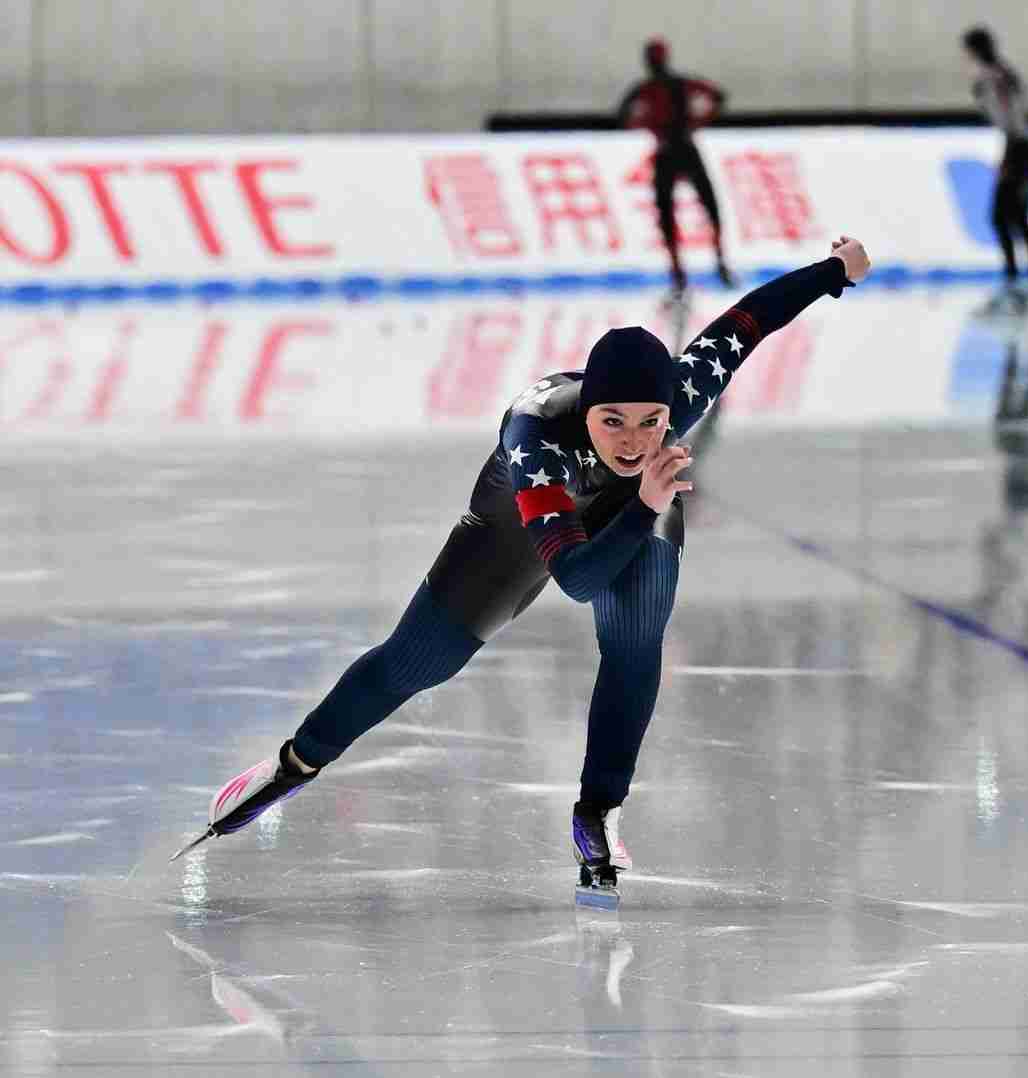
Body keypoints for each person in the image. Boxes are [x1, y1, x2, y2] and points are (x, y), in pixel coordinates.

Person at [174, 238, 873, 891]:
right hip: (521, 519)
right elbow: (573, 579)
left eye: (651, 421)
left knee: (635, 646)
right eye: (613, 422)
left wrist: (834, 270)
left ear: (672, 409)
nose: (632, 440)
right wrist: (640, 503)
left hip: (636, 506)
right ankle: (295, 762)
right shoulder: (536, 436)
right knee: (420, 663)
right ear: (589, 410)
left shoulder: (673, 410)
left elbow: (748, 322)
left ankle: (597, 811)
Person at [617, 38, 734, 294]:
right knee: (704, 206)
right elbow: (717, 96)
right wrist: (698, 121)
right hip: (684, 147)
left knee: (670, 210)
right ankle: (715, 263)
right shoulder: (678, 84)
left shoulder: (646, 88)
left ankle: (682, 271)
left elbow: (623, 114)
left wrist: (651, 126)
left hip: (669, 150)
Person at [962, 27, 1028, 312]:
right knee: (1016, 219)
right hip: (1023, 150)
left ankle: (1019, 287)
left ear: (973, 51)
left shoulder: (992, 76)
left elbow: (1013, 121)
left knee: (1003, 218)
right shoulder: (1001, 73)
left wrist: (1009, 157)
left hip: (1020, 151)